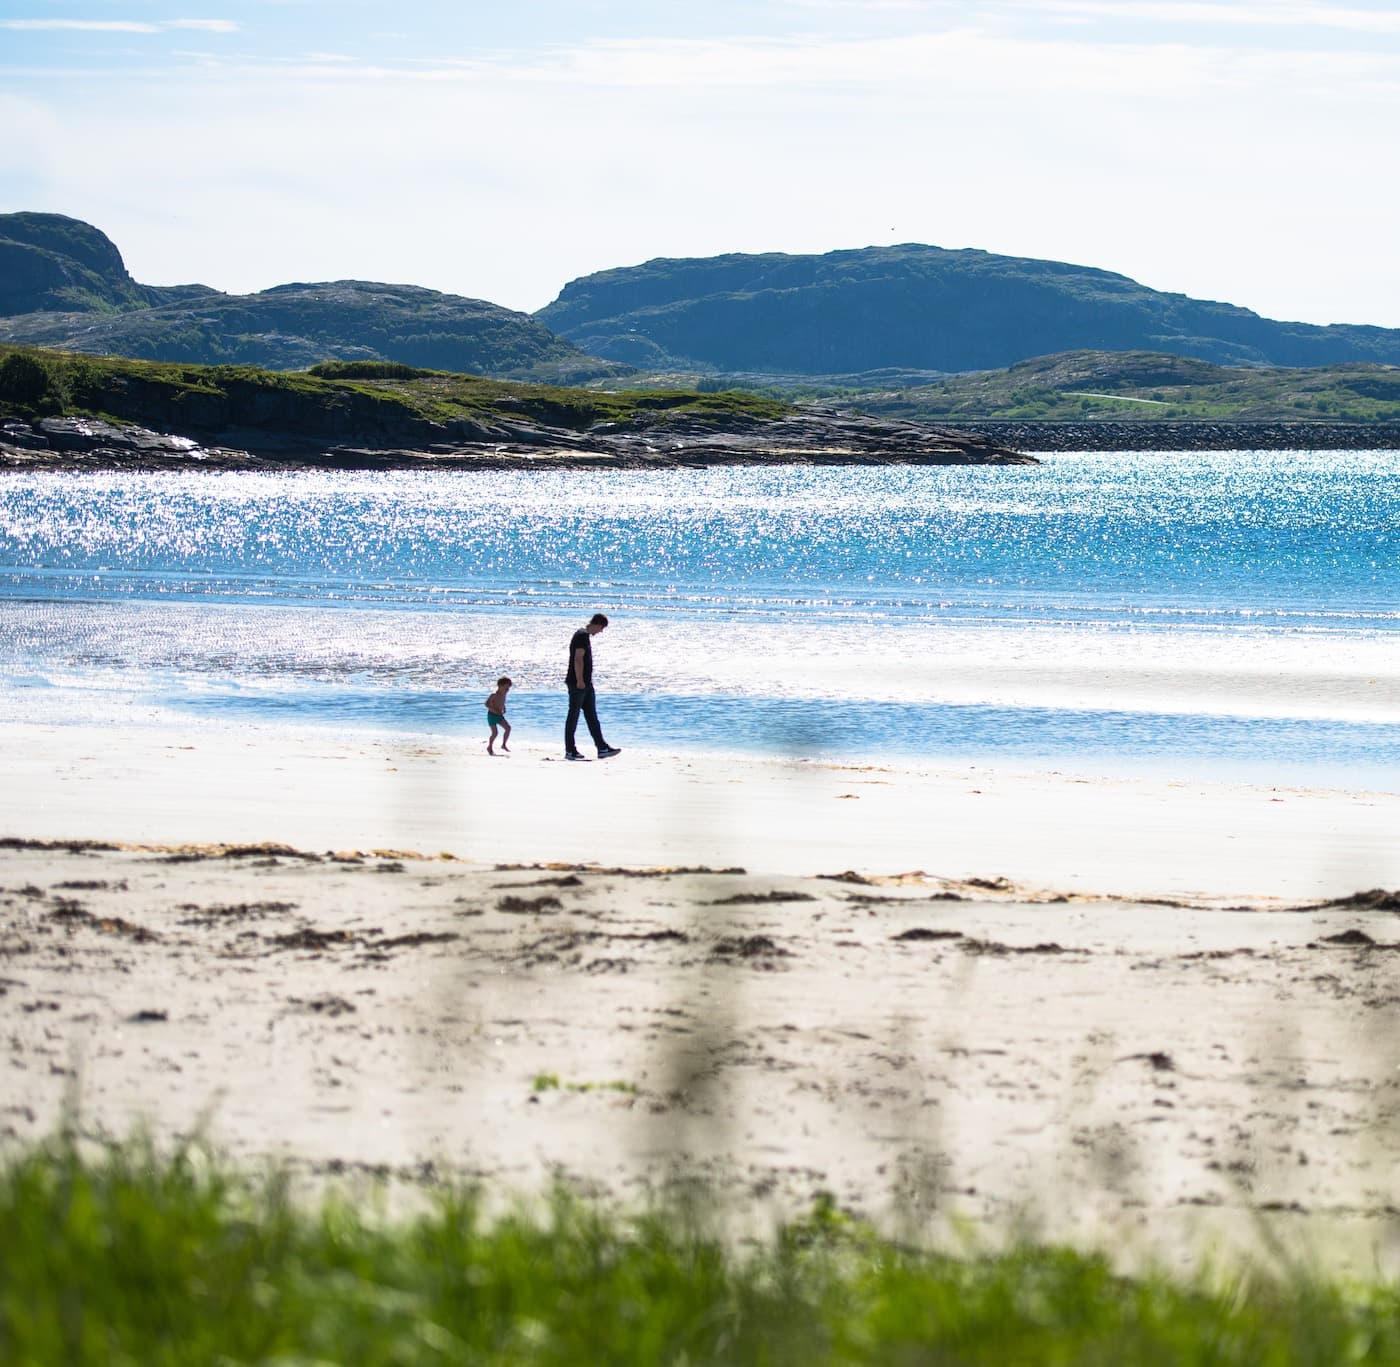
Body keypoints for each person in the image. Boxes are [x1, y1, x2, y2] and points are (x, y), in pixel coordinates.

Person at [565, 613, 620, 761]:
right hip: (578, 683)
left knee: (592, 717)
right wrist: (580, 681)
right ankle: (570, 750)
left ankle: (602, 747)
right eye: (601, 628)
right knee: (573, 717)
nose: (601, 632)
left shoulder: (584, 636)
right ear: (597, 624)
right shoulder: (581, 636)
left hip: (586, 683)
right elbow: (578, 659)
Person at [484, 676, 512, 755]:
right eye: (506, 688)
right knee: (495, 733)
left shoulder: (504, 695)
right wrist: (493, 709)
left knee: (508, 728)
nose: (507, 690)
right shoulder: (494, 695)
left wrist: (504, 708)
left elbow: (502, 702)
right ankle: (490, 747)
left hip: (499, 716)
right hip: (492, 716)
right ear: (500, 686)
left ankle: (503, 744)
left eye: (508, 688)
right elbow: (486, 704)